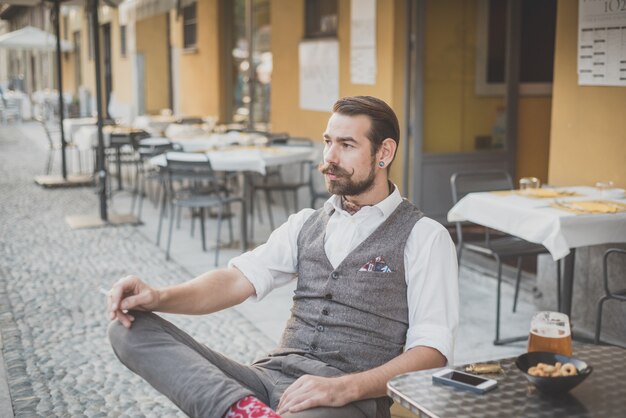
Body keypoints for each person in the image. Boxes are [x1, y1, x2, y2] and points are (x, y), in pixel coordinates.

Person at [107, 96, 459, 418]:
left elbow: (432, 353)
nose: (330, 158)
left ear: (384, 152)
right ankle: (241, 409)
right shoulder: (305, 224)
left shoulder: (424, 236)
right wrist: (157, 297)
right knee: (129, 329)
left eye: (347, 145)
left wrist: (342, 388)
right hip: (266, 380)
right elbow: (234, 280)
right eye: (328, 143)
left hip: (348, 401)